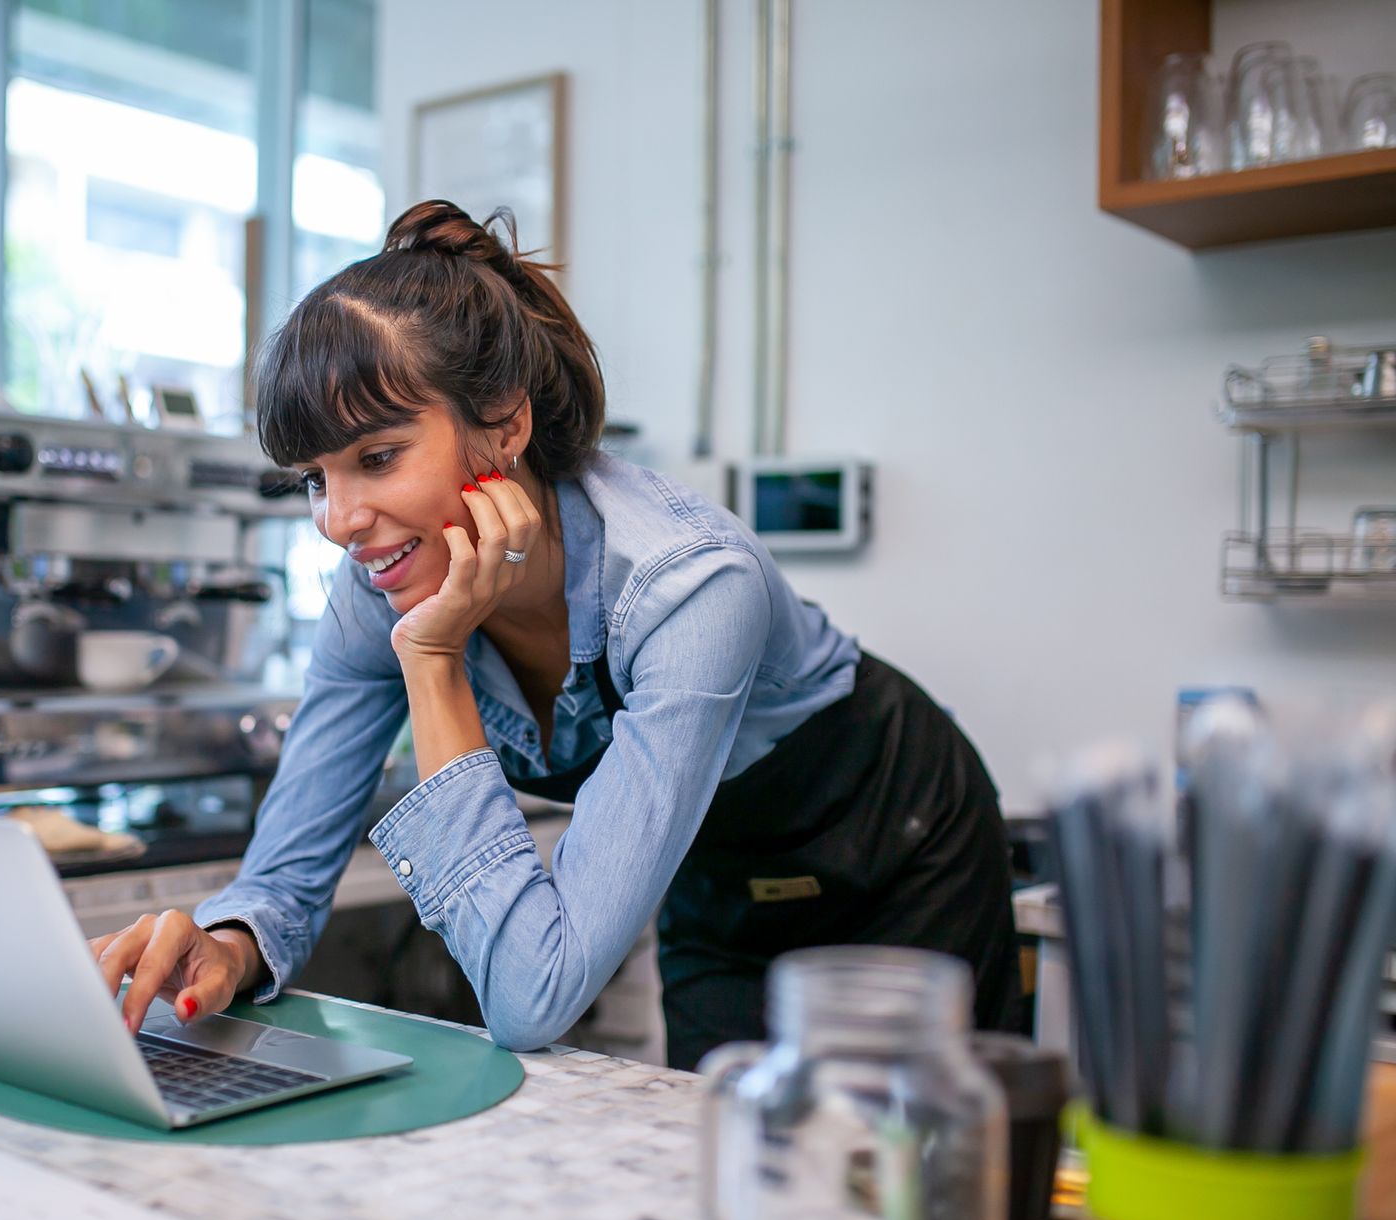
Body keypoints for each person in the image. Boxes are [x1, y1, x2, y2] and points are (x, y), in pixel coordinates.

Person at [88, 199, 1022, 1070]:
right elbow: (283, 880)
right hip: (715, 866)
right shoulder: (378, 589)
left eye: (377, 458)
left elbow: (532, 996)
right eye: (316, 480)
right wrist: (230, 943)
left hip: (895, 837)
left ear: (504, 426)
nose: (339, 520)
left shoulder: (688, 587)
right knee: (726, 1160)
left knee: (931, 1182)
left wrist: (434, 659)